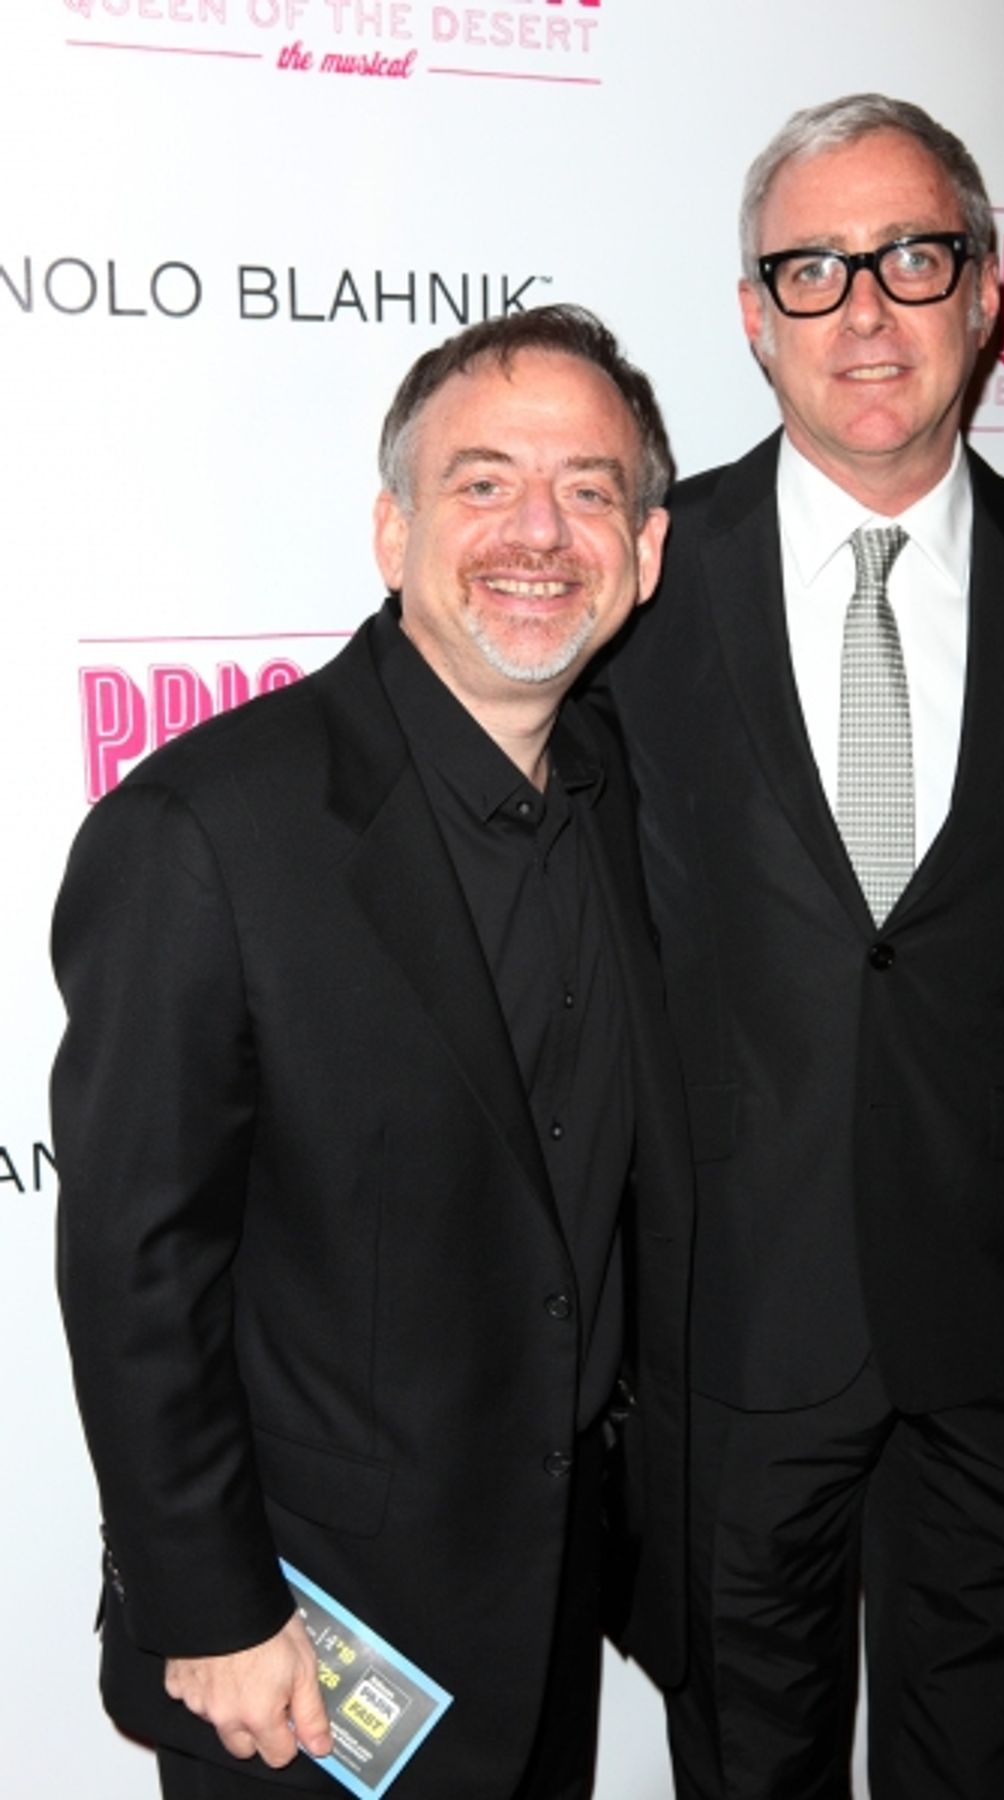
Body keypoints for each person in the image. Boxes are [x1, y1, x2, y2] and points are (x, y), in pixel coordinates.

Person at [596, 94, 1004, 1799]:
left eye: (911, 257)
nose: (864, 310)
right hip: (721, 1350)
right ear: (751, 315)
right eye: (811, 269)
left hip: (1000, 1358)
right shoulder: (640, 577)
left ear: (990, 291)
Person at [53, 303, 692, 1800]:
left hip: (547, 1612)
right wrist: (209, 1608)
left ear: (646, 556)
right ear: (392, 531)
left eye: (591, 491)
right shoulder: (204, 831)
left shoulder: (624, 801)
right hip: (304, 1658)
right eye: (483, 483)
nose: (539, 532)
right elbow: (136, 1267)